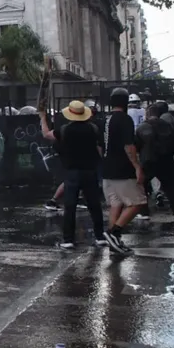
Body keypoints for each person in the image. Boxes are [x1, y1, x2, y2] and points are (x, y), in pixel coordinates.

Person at [39, 101, 106, 249]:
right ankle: (100, 236)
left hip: (72, 172)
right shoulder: (93, 129)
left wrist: (43, 118)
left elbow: (46, 134)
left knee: (70, 206)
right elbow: (99, 150)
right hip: (90, 171)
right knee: (94, 205)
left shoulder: (64, 130)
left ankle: (68, 240)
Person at [102, 88, 147, 254]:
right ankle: (114, 233)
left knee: (116, 204)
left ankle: (114, 243)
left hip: (107, 169)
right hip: (123, 169)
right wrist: (137, 167)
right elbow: (129, 146)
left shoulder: (104, 120)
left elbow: (99, 146)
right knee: (137, 202)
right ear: (126, 102)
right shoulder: (125, 120)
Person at [135, 102, 174, 221]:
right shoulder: (167, 125)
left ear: (147, 114)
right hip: (166, 159)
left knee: (142, 185)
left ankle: (144, 212)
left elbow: (137, 144)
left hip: (149, 160)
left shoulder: (142, 127)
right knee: (170, 186)